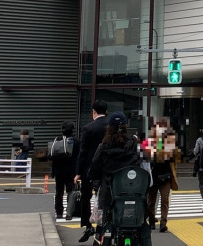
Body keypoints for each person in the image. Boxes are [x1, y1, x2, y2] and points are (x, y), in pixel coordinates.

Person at [88, 112, 140, 240]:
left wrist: (94, 179)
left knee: (103, 222)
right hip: (129, 191)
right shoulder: (133, 144)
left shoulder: (103, 146)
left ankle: (100, 235)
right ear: (125, 127)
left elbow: (94, 167)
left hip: (108, 192)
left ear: (109, 128)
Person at [74, 99, 108, 243]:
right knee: (105, 199)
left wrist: (78, 172)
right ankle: (102, 227)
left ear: (93, 112)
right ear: (106, 111)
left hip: (89, 169)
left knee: (86, 197)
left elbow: (83, 152)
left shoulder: (88, 128)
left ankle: (88, 226)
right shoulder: (111, 126)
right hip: (107, 169)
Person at [144, 119, 179, 233]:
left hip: (166, 176)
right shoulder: (149, 143)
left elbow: (175, 158)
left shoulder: (170, 143)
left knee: (164, 200)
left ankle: (163, 223)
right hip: (152, 176)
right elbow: (145, 158)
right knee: (151, 201)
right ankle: (152, 221)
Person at [51, 121, 79, 220]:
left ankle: (59, 212)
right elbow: (78, 157)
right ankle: (69, 213)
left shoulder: (57, 140)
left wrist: (53, 171)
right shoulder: (76, 141)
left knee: (59, 191)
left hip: (58, 170)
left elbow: (53, 155)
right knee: (70, 191)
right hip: (71, 170)